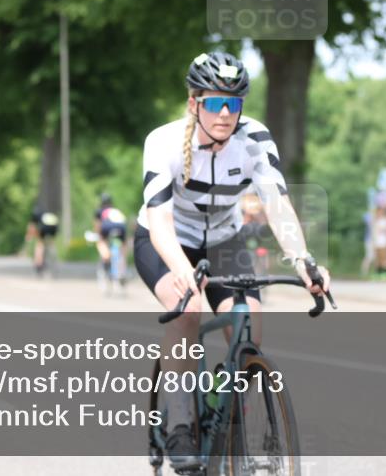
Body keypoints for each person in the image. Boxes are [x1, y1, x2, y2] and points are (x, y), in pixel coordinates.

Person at [134, 51, 331, 470]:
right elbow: (160, 221)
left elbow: (277, 203)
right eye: (214, 102)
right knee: (186, 310)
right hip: (166, 240)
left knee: (249, 326)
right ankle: (181, 425)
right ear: (194, 103)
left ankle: (232, 423)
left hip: (224, 239)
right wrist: (185, 274)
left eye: (234, 104)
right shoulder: (164, 141)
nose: (224, 113)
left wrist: (304, 261)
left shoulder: (254, 139)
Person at [26, 206, 59, 276]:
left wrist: (29, 236)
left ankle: (38, 264)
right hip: (54, 226)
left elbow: (32, 227)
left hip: (45, 227)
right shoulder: (46, 214)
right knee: (51, 242)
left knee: (39, 244)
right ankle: (53, 258)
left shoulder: (35, 215)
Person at [372, 199, 386, 277]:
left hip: (384, 242)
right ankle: (378, 273)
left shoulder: (385, 220)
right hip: (377, 242)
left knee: (385, 258)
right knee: (378, 258)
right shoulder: (375, 221)